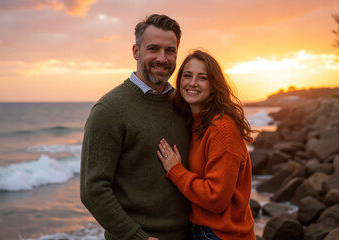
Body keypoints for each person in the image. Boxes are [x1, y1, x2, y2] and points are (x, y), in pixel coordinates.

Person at [80, 14, 191, 240]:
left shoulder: (183, 106)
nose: (162, 58)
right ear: (135, 51)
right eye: (153, 49)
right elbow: (93, 190)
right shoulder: (108, 110)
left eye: (170, 50)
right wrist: (137, 237)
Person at [157, 49, 256, 240]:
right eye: (187, 75)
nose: (192, 83)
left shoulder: (222, 128)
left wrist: (176, 171)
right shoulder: (196, 122)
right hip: (204, 231)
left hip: (221, 235)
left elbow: (216, 198)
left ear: (213, 85)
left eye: (202, 77)